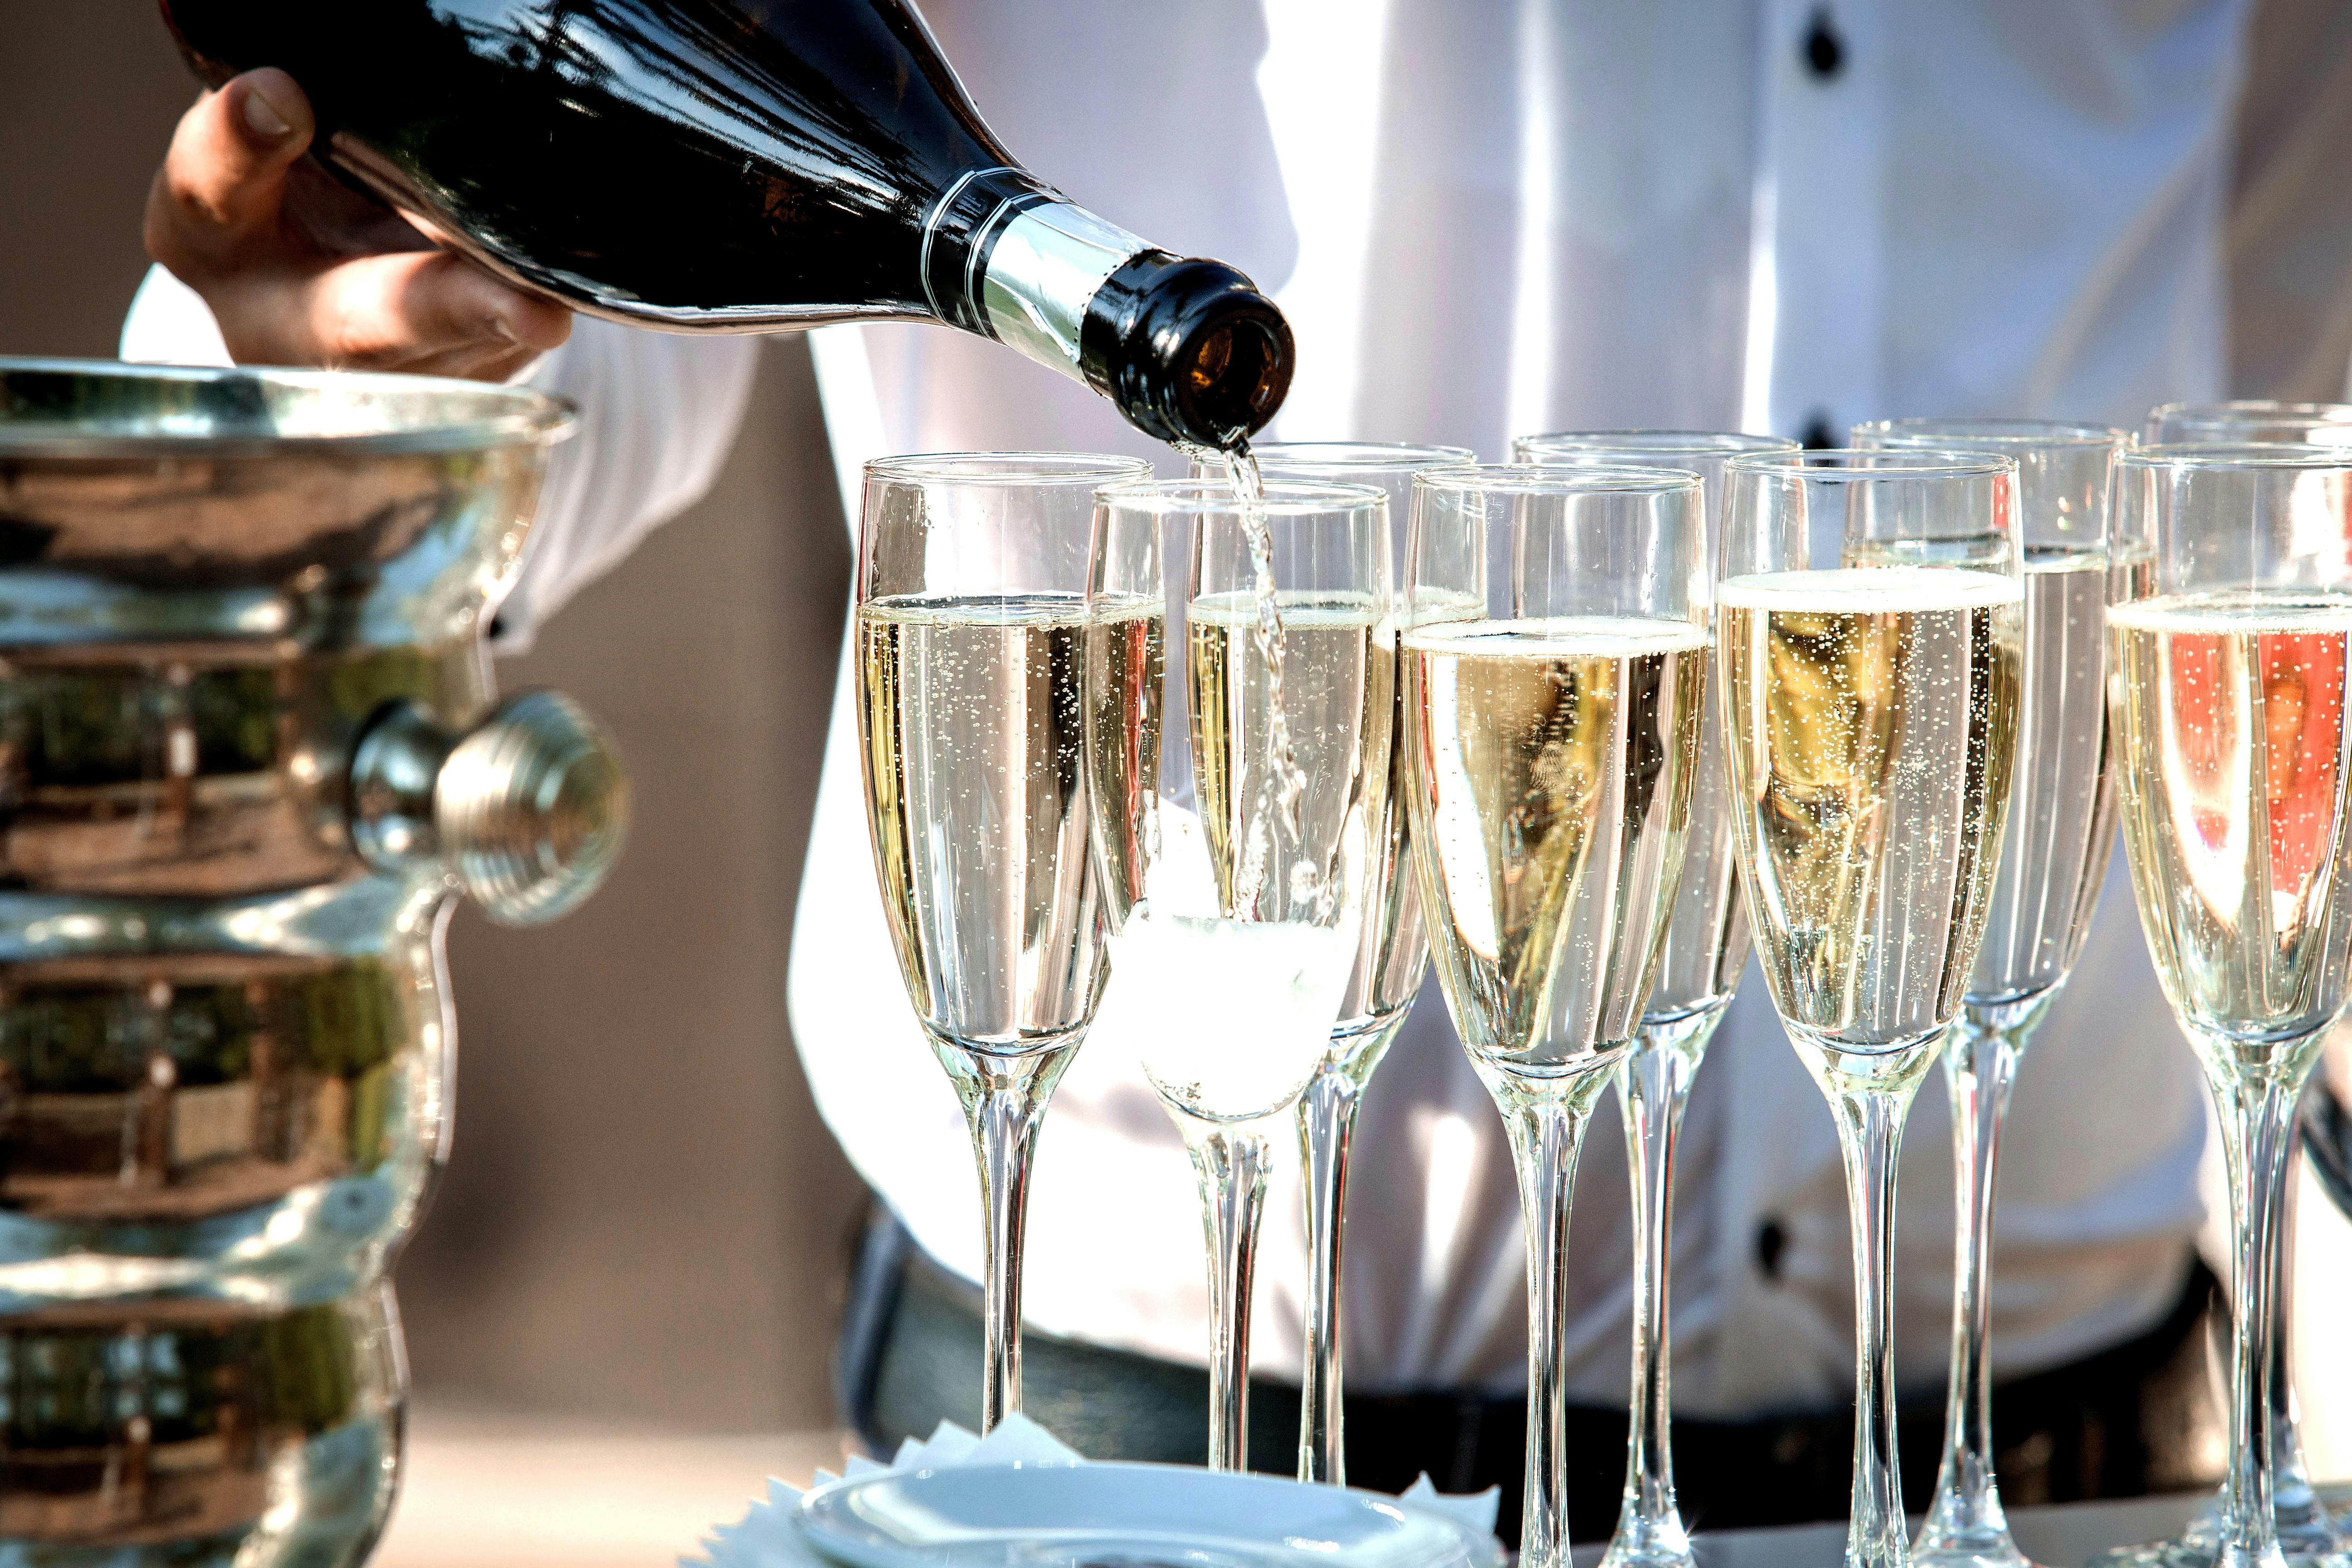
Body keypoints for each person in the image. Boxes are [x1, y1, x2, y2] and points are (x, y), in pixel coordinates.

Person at [127, 0, 2352, 1539]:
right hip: (1144, 1463)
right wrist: (327, 386)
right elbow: (560, 312)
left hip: (2080, 1457)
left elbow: (2279, 411)